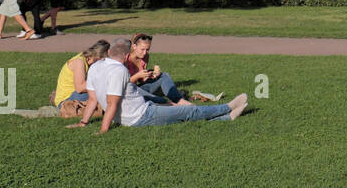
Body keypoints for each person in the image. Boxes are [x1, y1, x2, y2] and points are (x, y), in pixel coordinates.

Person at [72, 39, 246, 130]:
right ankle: (227, 107)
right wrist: (103, 130)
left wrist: (84, 122)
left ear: (109, 52)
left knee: (179, 116)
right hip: (140, 115)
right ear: (126, 55)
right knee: (188, 111)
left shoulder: (95, 67)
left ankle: (226, 118)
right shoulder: (120, 71)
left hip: (137, 109)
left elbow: (93, 100)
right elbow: (111, 103)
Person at [124, 33, 190, 104]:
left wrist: (150, 75)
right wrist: (138, 76)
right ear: (134, 46)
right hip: (128, 91)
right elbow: (122, 84)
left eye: (147, 50)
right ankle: (167, 103)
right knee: (143, 94)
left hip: (139, 88)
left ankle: (179, 100)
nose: (145, 53)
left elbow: (141, 80)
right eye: (142, 49)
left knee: (163, 75)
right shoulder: (125, 59)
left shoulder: (145, 57)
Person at [51, 40, 110, 117]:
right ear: (100, 57)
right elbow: (80, 88)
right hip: (67, 99)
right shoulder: (79, 62)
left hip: (74, 95)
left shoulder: (88, 62)